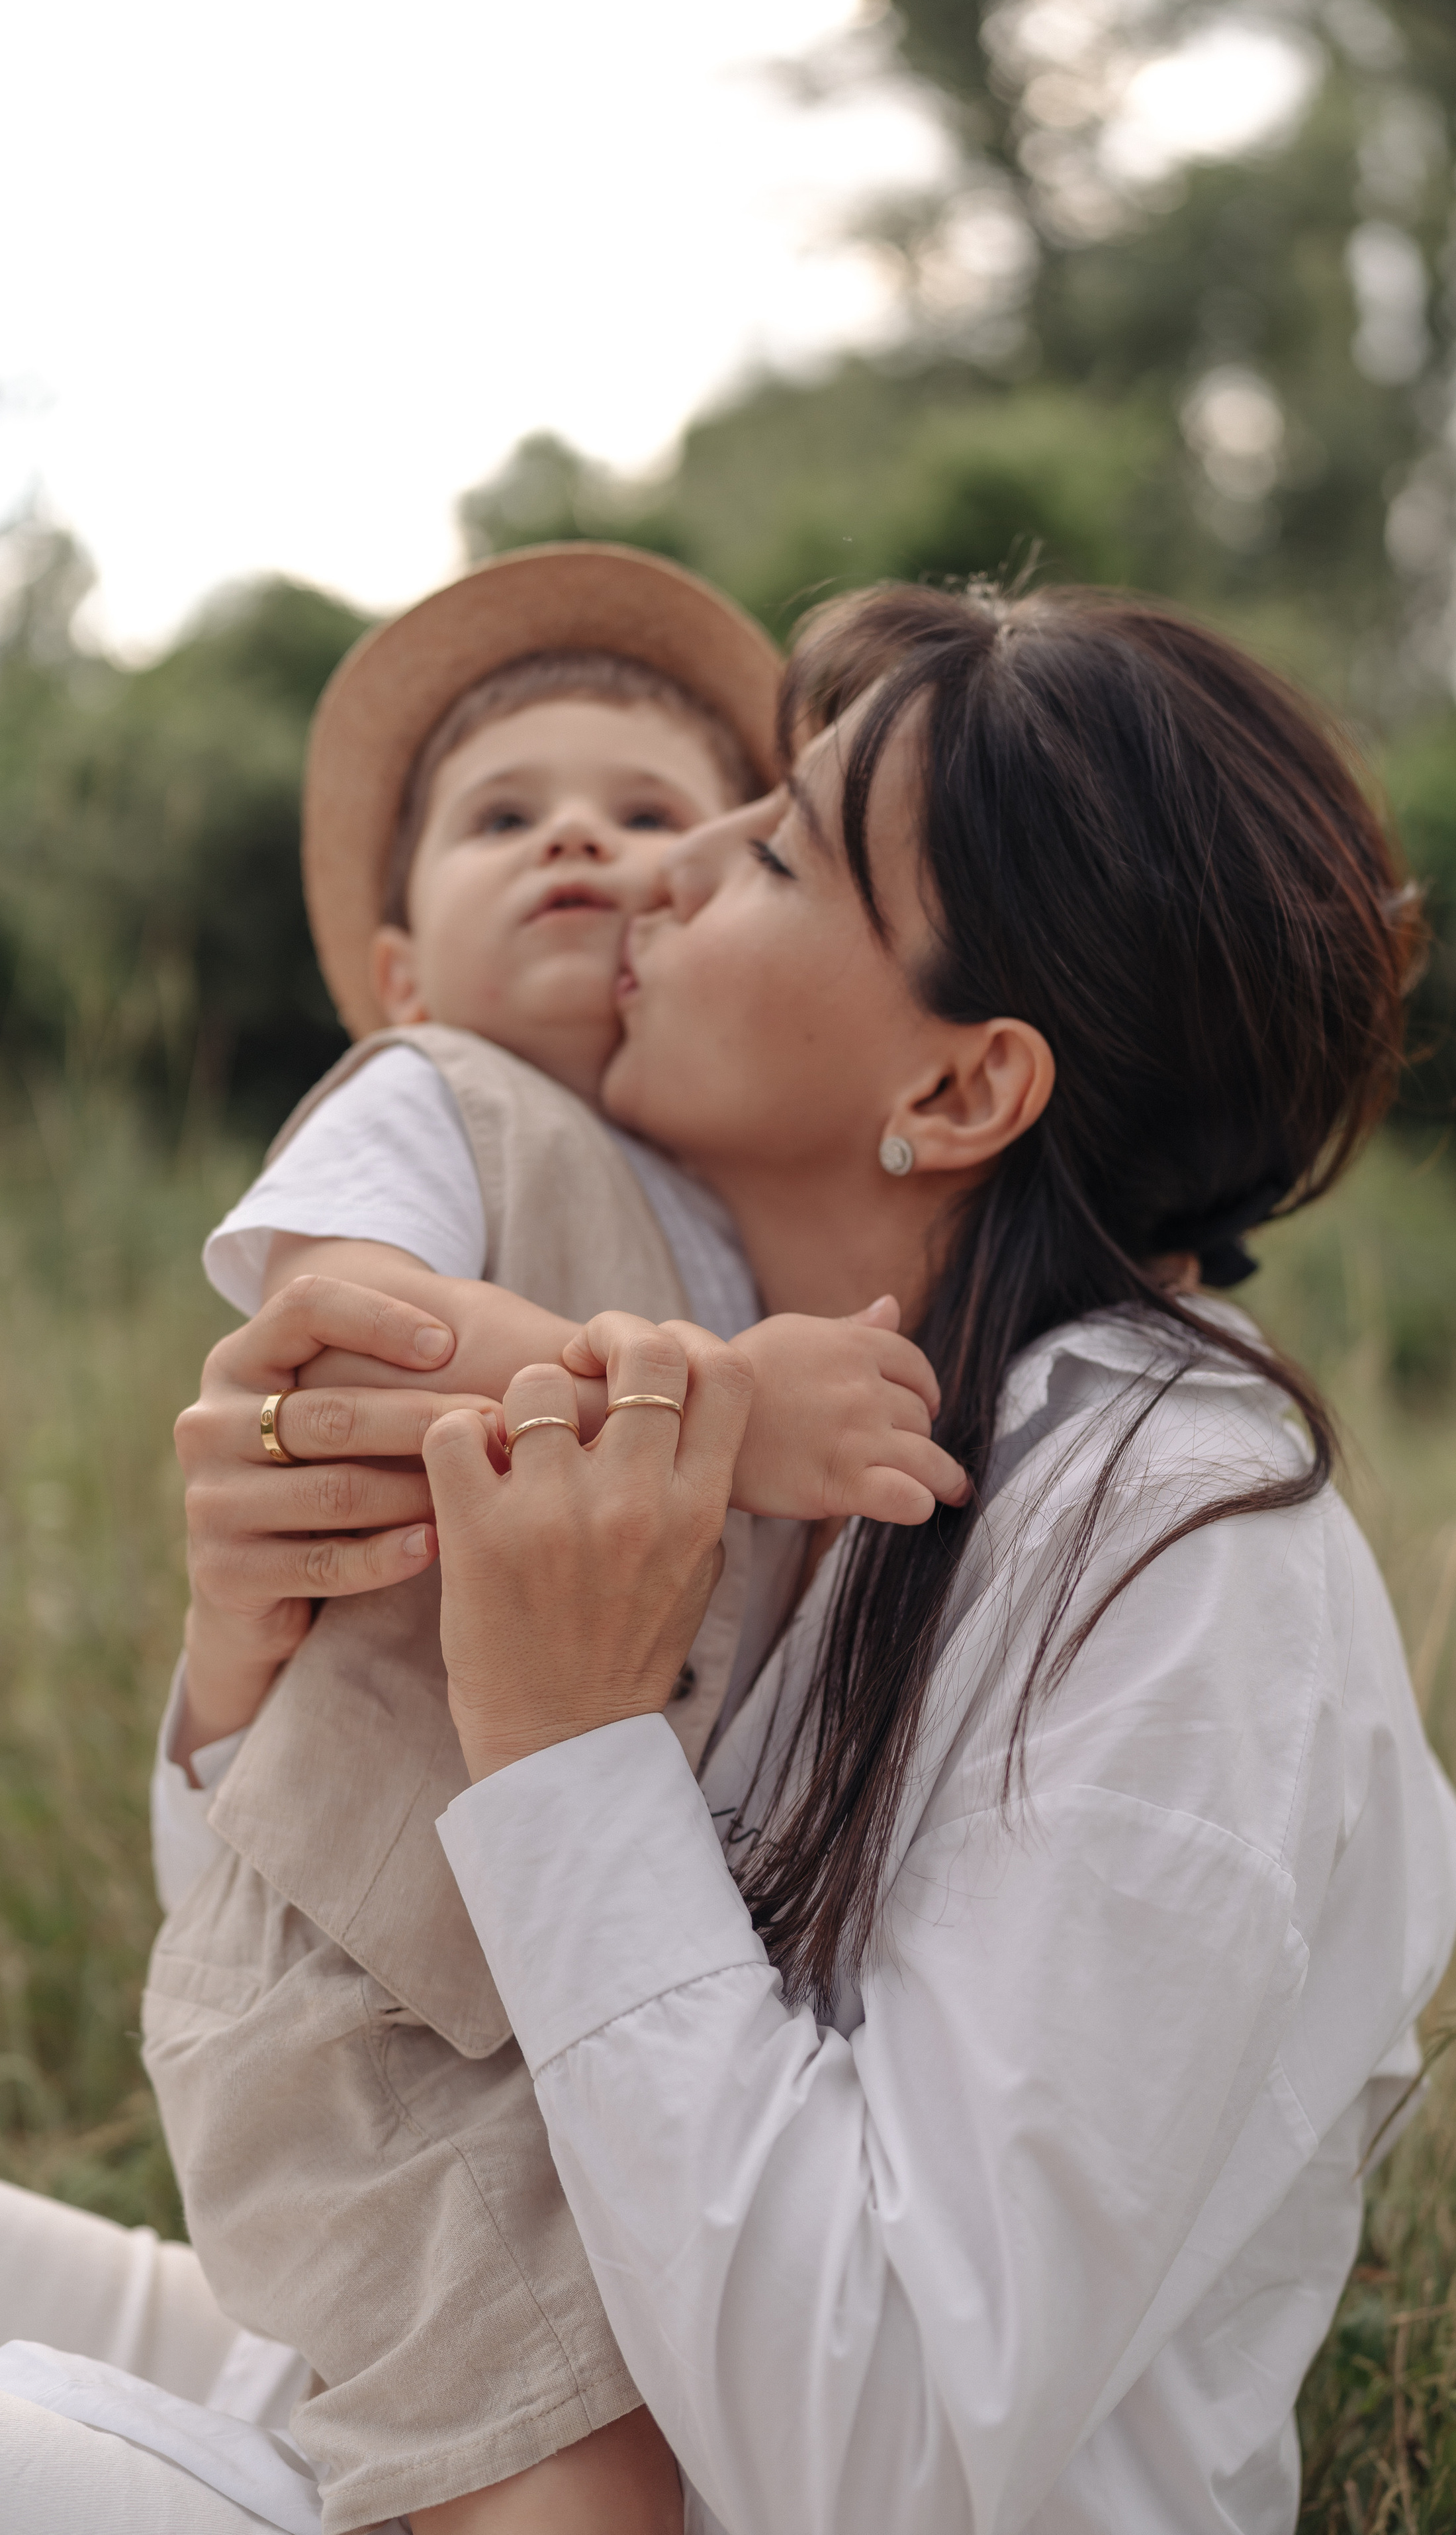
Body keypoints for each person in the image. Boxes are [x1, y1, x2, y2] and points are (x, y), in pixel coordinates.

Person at [2, 578, 1456, 2535]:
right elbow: (366, 1984)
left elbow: (879, 2446)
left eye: (774, 846)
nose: (662, 870)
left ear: (958, 1089)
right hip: (454, 2365)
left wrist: (564, 1736)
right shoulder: (818, 1419)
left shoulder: (1177, 1567)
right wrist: (252, 1648)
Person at [140, 545, 966, 2535]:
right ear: (405, 964)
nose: (585, 839)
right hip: (369, 1970)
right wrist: (730, 1408)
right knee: (557, 2455)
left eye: (662, 817)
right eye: (504, 818)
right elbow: (347, 1327)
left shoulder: (721, 1203)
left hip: (556, 1968)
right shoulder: (434, 1099)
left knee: (646, 2420)